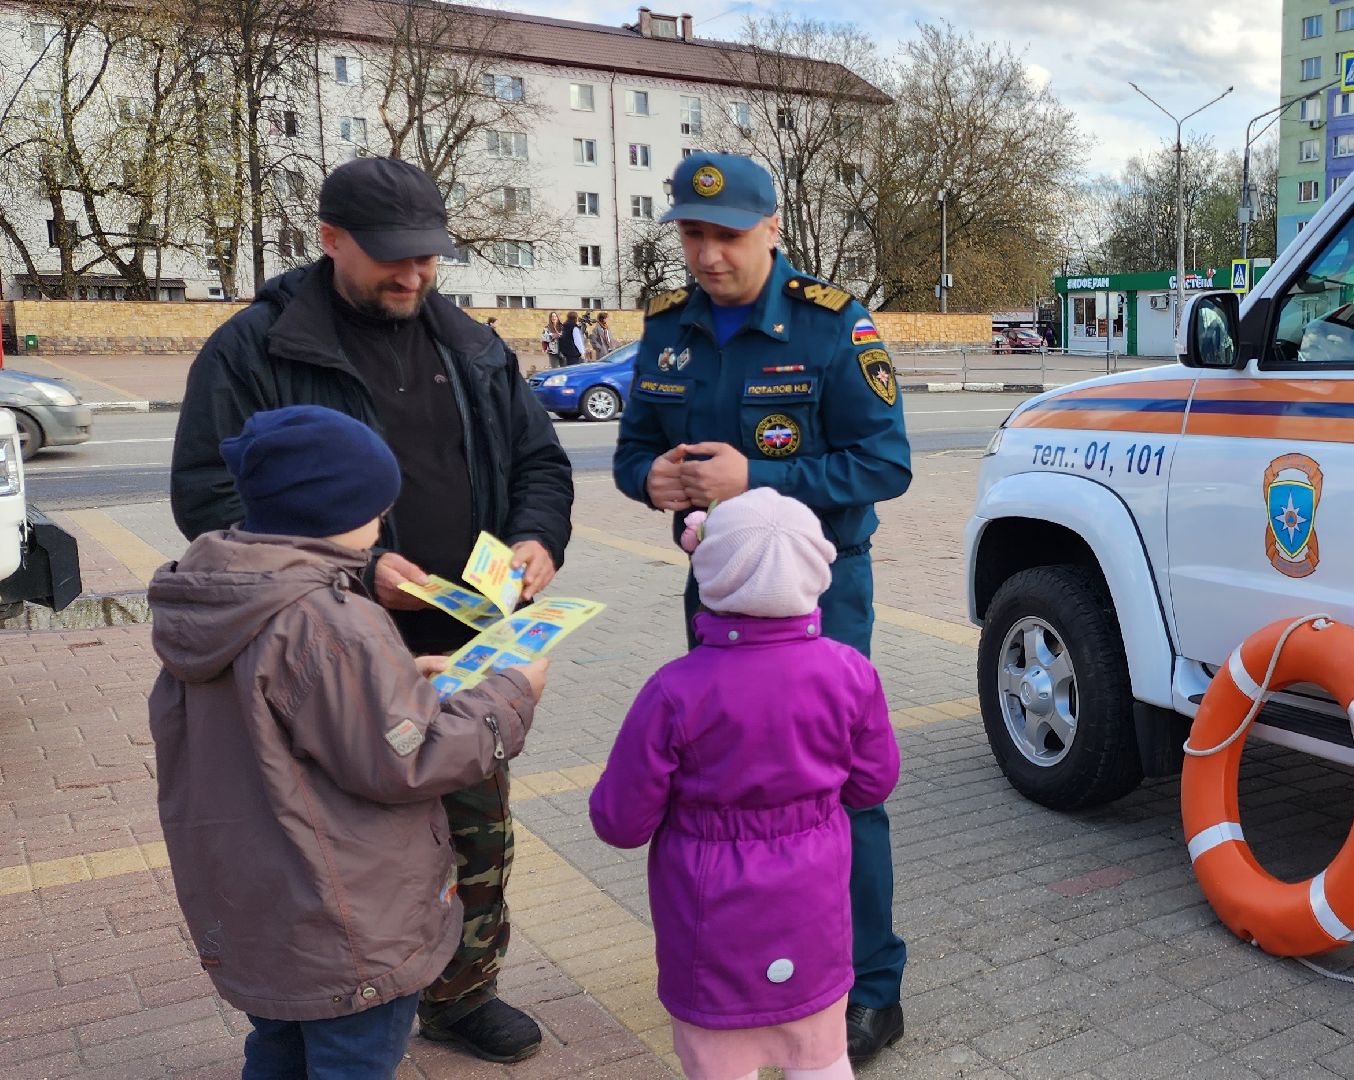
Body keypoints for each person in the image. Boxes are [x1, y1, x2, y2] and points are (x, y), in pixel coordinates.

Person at [169, 156, 576, 1064]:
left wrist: (536, 538)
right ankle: (330, 1006)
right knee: (340, 859)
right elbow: (206, 499)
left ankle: (461, 993)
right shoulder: (255, 348)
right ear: (329, 240)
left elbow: (541, 463)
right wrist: (358, 572)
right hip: (321, 657)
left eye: (429, 257)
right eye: (392, 258)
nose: (413, 275)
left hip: (457, 644)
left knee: (474, 832)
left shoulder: (470, 344)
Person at [613, 152, 912, 1063]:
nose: (706, 256)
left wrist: (763, 477)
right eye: (692, 235)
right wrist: (648, 480)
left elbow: (885, 464)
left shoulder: (830, 328)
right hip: (715, 597)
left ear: (772, 229)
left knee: (832, 793)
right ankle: (752, 974)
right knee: (720, 788)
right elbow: (633, 452)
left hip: (823, 601)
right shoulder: (668, 331)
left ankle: (870, 987)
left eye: (727, 235)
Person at [149, 406, 549, 1080]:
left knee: (277, 1048)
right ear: (336, 511)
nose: (381, 528)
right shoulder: (332, 622)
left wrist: (401, 681)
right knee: (353, 1060)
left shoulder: (215, 595)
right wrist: (510, 693)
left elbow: (290, 715)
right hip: (347, 922)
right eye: (376, 510)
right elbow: (409, 763)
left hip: (264, 911)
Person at [591, 490, 900, 1080]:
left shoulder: (675, 690)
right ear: (816, 574)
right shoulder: (850, 673)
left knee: (719, 1062)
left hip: (709, 917)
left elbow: (620, 823)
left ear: (708, 572)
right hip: (814, 909)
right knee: (821, 1054)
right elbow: (872, 784)